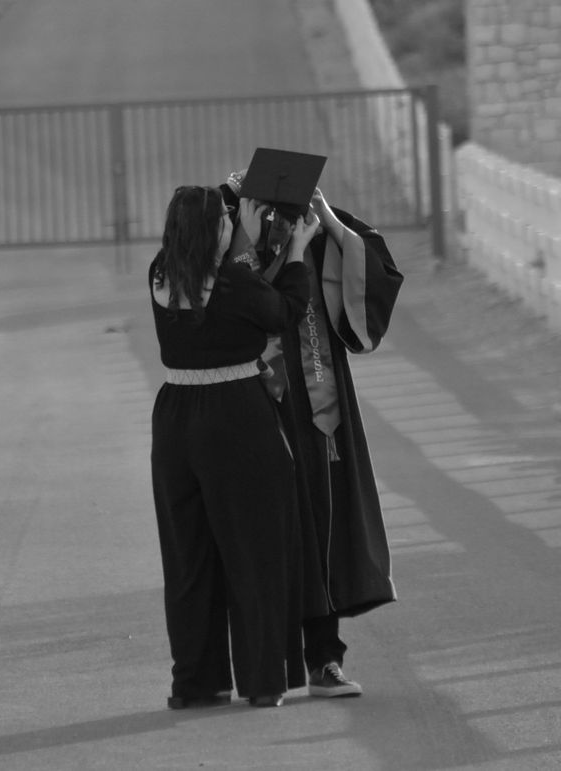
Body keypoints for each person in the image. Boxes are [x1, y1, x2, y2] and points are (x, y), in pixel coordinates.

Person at [220, 157, 404, 698]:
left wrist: (327, 218)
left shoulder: (317, 228)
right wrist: (237, 219)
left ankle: (325, 659)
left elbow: (373, 274)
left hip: (318, 402)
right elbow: (200, 277)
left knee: (322, 523)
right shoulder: (231, 229)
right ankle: (264, 668)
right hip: (252, 399)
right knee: (265, 531)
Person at [148, 184, 319, 708]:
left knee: (189, 558)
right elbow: (285, 311)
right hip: (236, 418)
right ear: (214, 232)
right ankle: (264, 681)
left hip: (175, 419)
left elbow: (204, 242)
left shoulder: (160, 273)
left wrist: (229, 216)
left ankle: (198, 683)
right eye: (224, 218)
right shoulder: (234, 286)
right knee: (257, 551)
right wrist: (294, 250)